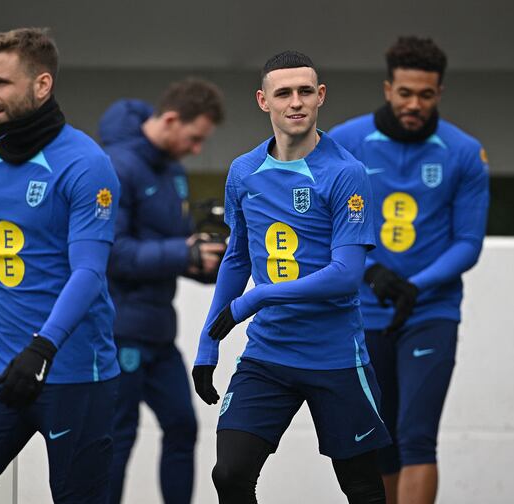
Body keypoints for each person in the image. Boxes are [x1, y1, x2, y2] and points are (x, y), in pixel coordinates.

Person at [191, 51, 390, 504]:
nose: (295, 102)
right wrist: (208, 344)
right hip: (268, 355)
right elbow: (236, 258)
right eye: (284, 93)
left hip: (336, 357)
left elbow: (345, 276)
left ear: (320, 97)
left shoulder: (346, 173)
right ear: (264, 101)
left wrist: (254, 301)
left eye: (305, 92)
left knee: (361, 488)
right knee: (230, 475)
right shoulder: (244, 171)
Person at [0, 28, 121, 502]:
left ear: (42, 85)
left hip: (75, 373)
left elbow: (88, 271)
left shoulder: (85, 164)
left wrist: (42, 348)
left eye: (1, 83)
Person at [329, 36, 489, 504]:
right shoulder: (346, 142)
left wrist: (415, 287)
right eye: (405, 93)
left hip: (429, 312)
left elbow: (469, 242)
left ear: (439, 93)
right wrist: (372, 270)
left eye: (425, 94)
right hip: (361, 311)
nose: (413, 104)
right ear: (387, 88)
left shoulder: (464, 152)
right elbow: (325, 224)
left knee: (417, 437)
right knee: (379, 445)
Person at [98, 77, 227, 504]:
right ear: (171, 120)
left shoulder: (173, 171)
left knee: (183, 427)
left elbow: (176, 246)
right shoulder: (116, 166)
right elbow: (113, 253)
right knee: (118, 435)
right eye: (194, 138)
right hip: (120, 330)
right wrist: (183, 252)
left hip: (158, 331)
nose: (196, 149)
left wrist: (205, 259)